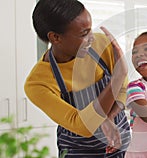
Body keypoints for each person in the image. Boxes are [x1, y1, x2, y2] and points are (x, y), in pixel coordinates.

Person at [24, 0, 130, 157]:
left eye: (90, 30)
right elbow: (82, 125)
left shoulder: (101, 44)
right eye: (84, 34)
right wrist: (117, 77)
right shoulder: (38, 83)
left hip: (120, 141)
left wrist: (108, 118)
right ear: (55, 38)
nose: (92, 38)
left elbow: (123, 88)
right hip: (79, 151)